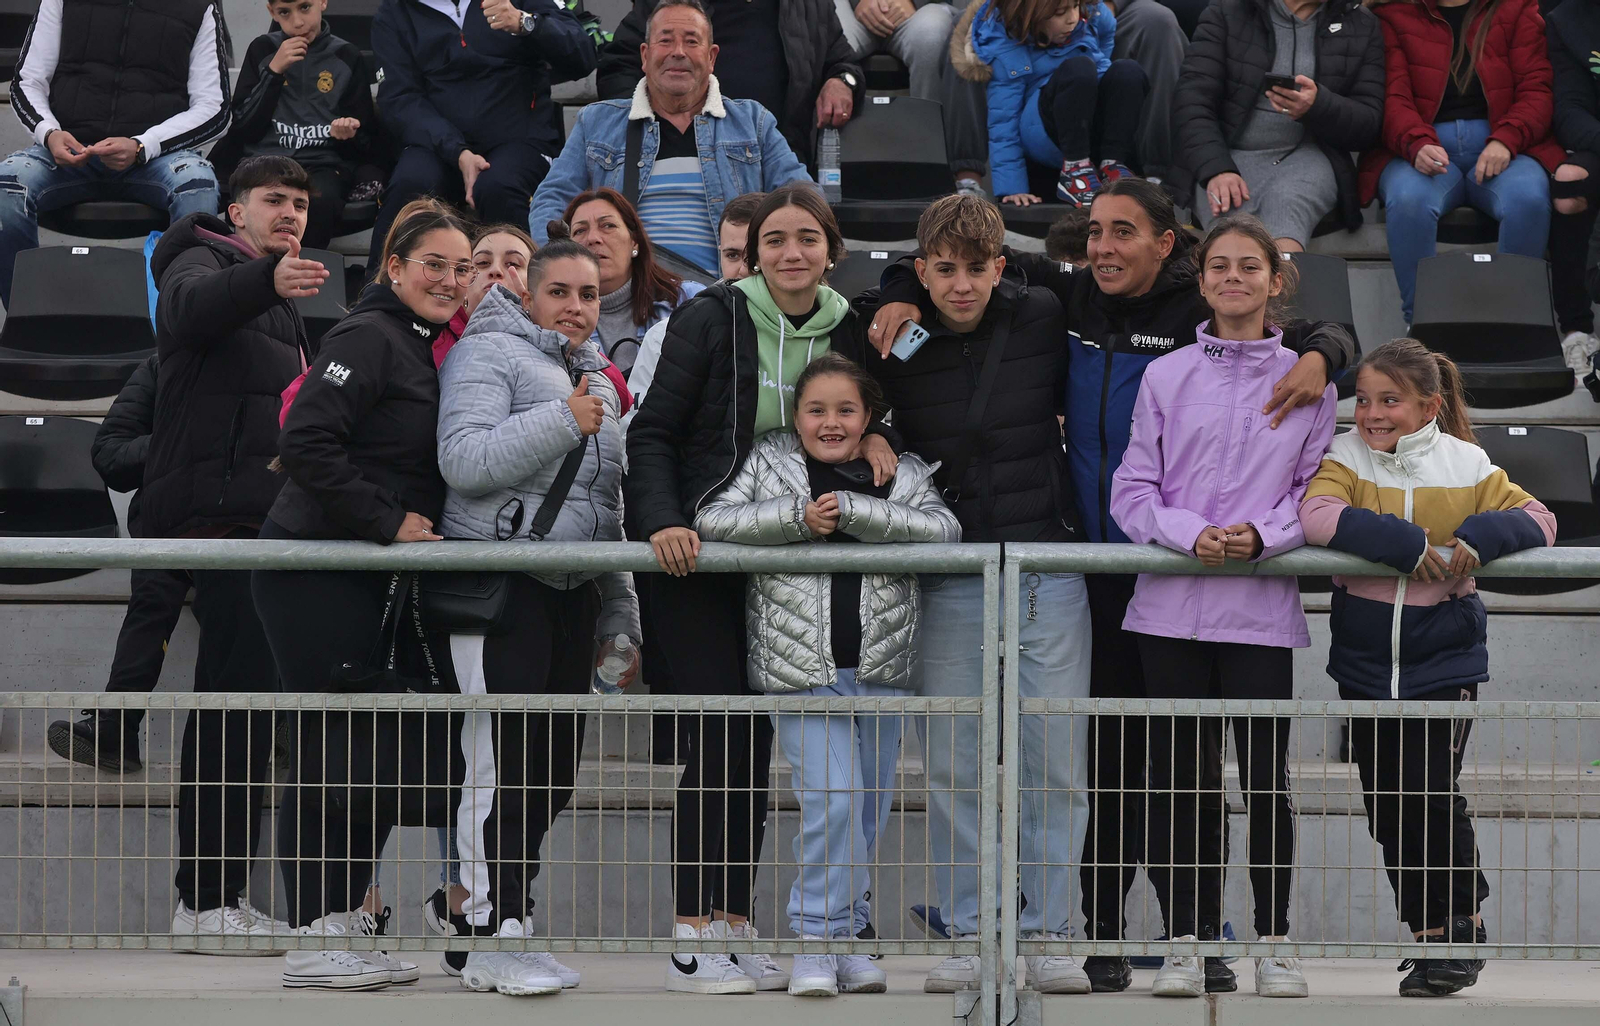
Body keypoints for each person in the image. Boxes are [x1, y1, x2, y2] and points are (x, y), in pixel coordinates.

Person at [866, 178, 1355, 993]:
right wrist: (897, 288)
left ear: (1171, 248)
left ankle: (1183, 934)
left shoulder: (1192, 314)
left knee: (1162, 766)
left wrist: (1324, 352)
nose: (1102, 247)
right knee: (1112, 760)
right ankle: (1095, 933)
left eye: (1123, 232)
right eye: (1094, 231)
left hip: (1165, 573)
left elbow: (1310, 328)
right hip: (1087, 566)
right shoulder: (1066, 297)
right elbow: (963, 262)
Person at [626, 183, 898, 995]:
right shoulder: (713, 316)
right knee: (717, 739)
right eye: (775, 239)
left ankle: (736, 923)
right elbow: (655, 432)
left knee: (753, 748)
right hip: (699, 557)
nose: (791, 253)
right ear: (752, 249)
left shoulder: (845, 324)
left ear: (831, 249)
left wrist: (882, 428)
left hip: (785, 565)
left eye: (807, 239)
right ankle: (691, 930)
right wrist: (664, 521)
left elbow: (875, 400)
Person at [853, 194, 1092, 995]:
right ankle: (964, 926)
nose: (962, 285)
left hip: (1043, 566)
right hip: (948, 573)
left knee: (1052, 758)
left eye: (978, 269)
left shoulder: (1040, 310)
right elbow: (861, 381)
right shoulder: (888, 326)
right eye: (944, 270)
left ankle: (1052, 930)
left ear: (1001, 267)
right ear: (921, 272)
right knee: (954, 763)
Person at [1110, 214, 1337, 1000]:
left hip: (1261, 611)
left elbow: (1313, 493)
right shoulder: (1165, 376)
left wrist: (1260, 537)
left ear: (1277, 283)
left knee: (1265, 782)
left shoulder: (1313, 382)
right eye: (1219, 266)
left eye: (1250, 266)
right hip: (1168, 609)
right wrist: (1192, 534)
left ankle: (1274, 940)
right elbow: (1133, 489)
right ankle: (1188, 942)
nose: (1233, 277)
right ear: (1200, 279)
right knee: (1180, 783)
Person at [252, 198, 473, 990]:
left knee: (359, 755)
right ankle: (316, 936)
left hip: (358, 574)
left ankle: (342, 921)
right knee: (323, 754)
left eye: (461, 267)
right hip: (313, 568)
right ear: (394, 267)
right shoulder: (367, 335)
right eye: (433, 265)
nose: (449, 279)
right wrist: (388, 520)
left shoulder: (416, 343)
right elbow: (304, 440)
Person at [694, 352, 960, 997]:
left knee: (865, 814)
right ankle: (813, 940)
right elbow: (712, 518)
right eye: (817, 409)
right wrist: (795, 520)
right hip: (801, 671)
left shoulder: (900, 470)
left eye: (846, 410)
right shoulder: (767, 460)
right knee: (833, 804)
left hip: (881, 671)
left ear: (870, 417)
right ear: (796, 414)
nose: (831, 422)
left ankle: (848, 938)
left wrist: (856, 513)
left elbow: (945, 531)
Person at [1300, 338, 1556, 997]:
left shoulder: (1465, 462)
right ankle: (1426, 936)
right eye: (1365, 400)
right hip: (1363, 665)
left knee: (1432, 793)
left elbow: (1539, 517)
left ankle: (1463, 929)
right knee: (1388, 804)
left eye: (1391, 401)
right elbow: (1318, 514)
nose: (1374, 413)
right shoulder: (1345, 456)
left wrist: (1478, 539)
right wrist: (1407, 545)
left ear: (1429, 405)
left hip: (1444, 660)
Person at [436, 228, 641, 998]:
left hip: (573, 595)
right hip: (501, 589)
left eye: (589, 294)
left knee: (549, 775)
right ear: (526, 293)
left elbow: (606, 511)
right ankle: (490, 931)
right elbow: (463, 460)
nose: (576, 307)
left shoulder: (595, 374)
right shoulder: (487, 354)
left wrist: (621, 615)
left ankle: (505, 924)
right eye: (559, 291)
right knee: (497, 771)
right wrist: (564, 419)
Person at [144, 155, 330, 952]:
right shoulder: (202, 254)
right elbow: (186, 313)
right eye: (274, 201)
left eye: (300, 204)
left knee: (243, 709)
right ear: (236, 210)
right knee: (230, 714)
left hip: (263, 525)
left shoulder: (277, 292)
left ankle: (212, 898)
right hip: (217, 522)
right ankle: (204, 901)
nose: (289, 214)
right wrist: (265, 281)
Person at [531, 0, 811, 264]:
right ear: (644, 54)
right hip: (627, 299)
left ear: (712, 57)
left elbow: (804, 198)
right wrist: (568, 269)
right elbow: (552, 200)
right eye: (665, 40)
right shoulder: (596, 122)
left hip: (727, 299)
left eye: (691, 41)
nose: (678, 51)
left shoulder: (753, 121)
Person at [2, 0, 229, 307]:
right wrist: (49, 132)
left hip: (156, 157)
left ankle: (183, 324)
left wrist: (142, 146)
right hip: (69, 151)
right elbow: (27, 82)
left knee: (198, 186)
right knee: (7, 189)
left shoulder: (198, 7)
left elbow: (213, 107)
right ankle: (26, 320)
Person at [1359, 0, 1565, 325]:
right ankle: (1425, 328)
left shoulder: (1515, 8)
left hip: (1504, 145)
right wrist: (1416, 143)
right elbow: (1391, 96)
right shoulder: (1394, 13)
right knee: (1409, 201)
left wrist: (1506, 139)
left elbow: (1537, 90)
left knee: (1528, 200)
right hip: (1420, 147)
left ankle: (1513, 326)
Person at [367, 0, 597, 273]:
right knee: (412, 185)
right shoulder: (395, 12)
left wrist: (526, 22)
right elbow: (399, 99)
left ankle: (536, 293)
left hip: (518, 139)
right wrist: (458, 152)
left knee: (498, 186)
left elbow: (583, 55)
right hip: (437, 144)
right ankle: (378, 301)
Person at [47, 355, 191, 774]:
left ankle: (276, 728)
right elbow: (110, 455)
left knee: (247, 616)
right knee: (151, 603)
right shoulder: (161, 366)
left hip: (244, 528)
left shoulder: (271, 360)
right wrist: (176, 441)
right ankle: (114, 730)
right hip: (169, 524)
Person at [1171, 0, 1384, 251]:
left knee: (1288, 208)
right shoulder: (1228, 11)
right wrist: (1217, 169)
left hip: (1308, 156)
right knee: (1231, 243)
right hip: (1226, 155)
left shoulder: (1361, 23)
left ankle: (1286, 286)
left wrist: (1318, 106)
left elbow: (1369, 124)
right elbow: (1192, 101)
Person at [598, 0, 866, 165]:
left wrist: (841, 81)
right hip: (687, 157)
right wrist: (650, 127)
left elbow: (844, 62)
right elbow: (618, 64)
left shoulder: (808, 6)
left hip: (776, 160)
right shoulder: (669, 3)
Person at [210, 0, 378, 250]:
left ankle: (302, 277)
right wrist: (274, 72)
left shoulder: (346, 55)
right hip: (264, 159)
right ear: (271, 12)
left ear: (322, 2)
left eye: (305, 7)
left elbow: (366, 142)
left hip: (322, 164)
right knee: (253, 201)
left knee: (316, 201)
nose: (297, 22)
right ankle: (248, 275)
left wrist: (347, 134)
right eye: (285, 12)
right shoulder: (263, 49)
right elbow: (244, 127)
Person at [953, 0, 1147, 208]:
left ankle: (1113, 164)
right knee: (1079, 70)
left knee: (1128, 72)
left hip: (1086, 121)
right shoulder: (1007, 47)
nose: (1072, 19)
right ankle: (1075, 170)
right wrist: (1013, 189)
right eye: (1059, 13)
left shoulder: (1088, 19)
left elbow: (1107, 33)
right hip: (1041, 129)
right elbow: (1004, 121)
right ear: (1030, 15)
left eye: (1075, 7)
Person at [627, 190, 763, 425]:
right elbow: (634, 433)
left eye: (755, 256)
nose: (742, 270)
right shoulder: (665, 336)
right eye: (732, 255)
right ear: (719, 254)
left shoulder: (822, 327)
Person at [561, 188, 703, 377]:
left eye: (608, 226)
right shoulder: (551, 316)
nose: (593, 238)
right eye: (580, 230)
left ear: (634, 242)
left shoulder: (689, 301)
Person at [1545, 0, 1600, 372]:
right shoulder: (1568, 18)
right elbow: (1568, 108)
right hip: (1596, 141)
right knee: (1567, 184)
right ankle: (1577, 332)